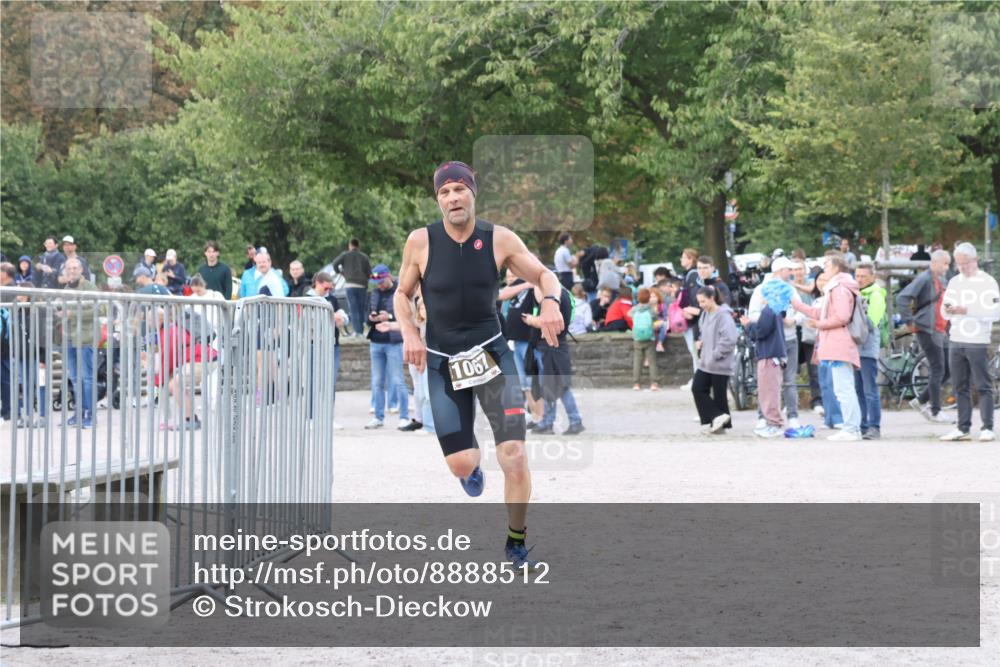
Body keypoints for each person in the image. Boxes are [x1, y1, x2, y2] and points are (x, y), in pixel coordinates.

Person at [395, 160, 564, 570]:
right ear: (438, 200)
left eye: (459, 189)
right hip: (441, 360)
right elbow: (402, 294)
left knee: (515, 455)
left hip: (492, 355)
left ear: (473, 193)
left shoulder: (499, 239)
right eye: (445, 192)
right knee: (462, 462)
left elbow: (544, 275)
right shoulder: (420, 241)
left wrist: (551, 303)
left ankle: (515, 541)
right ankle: (469, 468)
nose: (453, 198)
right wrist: (410, 334)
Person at [792, 252, 863, 441]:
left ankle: (851, 428)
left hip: (838, 344)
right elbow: (820, 312)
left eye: (827, 265)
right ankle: (852, 427)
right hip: (836, 343)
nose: (824, 269)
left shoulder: (839, 289)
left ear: (837, 268)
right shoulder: (838, 287)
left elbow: (841, 317)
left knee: (844, 388)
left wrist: (819, 325)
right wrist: (798, 306)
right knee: (843, 388)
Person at [938, 243, 1000, 442]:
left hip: (978, 339)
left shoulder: (988, 282)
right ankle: (962, 427)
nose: (962, 267)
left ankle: (987, 427)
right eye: (959, 263)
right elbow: (943, 308)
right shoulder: (955, 281)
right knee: (959, 385)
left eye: (965, 263)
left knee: (983, 384)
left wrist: (968, 310)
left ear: (975, 261)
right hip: (956, 338)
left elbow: (995, 311)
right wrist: (949, 309)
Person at [896, 249, 953, 424]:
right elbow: (902, 298)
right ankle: (935, 410)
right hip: (927, 329)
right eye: (945, 263)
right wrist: (909, 321)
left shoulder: (941, 280)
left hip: (941, 329)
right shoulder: (924, 278)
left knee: (947, 369)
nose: (947, 267)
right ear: (934, 263)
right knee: (937, 369)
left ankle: (920, 400)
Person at [747, 256, 803, 430]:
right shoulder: (761, 289)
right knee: (767, 383)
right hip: (771, 341)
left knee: (789, 380)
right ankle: (763, 415)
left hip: (789, 338)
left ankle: (792, 415)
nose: (792, 273)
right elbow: (753, 314)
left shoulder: (791, 290)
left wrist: (793, 320)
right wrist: (774, 317)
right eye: (789, 270)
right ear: (780, 271)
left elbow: (802, 311)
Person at [365, 264, 413, 430]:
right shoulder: (374, 293)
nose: (378, 285)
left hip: (394, 341)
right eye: (375, 282)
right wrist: (372, 317)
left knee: (398, 379)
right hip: (376, 341)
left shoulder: (399, 292)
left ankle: (404, 416)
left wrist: (389, 316)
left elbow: (407, 315)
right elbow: (366, 319)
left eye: (380, 281)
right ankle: (378, 417)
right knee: (377, 381)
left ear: (388, 277)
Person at [58, 258, 99, 428]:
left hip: (86, 337)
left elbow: (99, 309)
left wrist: (71, 313)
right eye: (69, 268)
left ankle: (90, 414)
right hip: (69, 338)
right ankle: (79, 412)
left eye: (75, 268)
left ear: (81, 270)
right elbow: (63, 311)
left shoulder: (90, 287)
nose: (72, 271)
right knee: (74, 378)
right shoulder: (66, 288)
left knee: (87, 378)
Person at [692, 285, 737, 434]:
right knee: (697, 388)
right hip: (706, 361)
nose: (701, 305)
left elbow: (729, 339)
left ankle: (719, 423)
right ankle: (717, 419)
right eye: (699, 302)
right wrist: (700, 342)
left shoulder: (724, 315)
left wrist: (716, 354)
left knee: (719, 396)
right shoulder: (705, 314)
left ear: (712, 298)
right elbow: (704, 333)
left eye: (703, 301)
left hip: (719, 362)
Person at [308, 271, 349, 430]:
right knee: (313, 381)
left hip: (333, 344)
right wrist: (332, 317)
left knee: (330, 382)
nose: (328, 291)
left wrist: (341, 318)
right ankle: (312, 417)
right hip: (314, 344)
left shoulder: (332, 299)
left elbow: (344, 317)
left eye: (330, 288)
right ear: (318, 283)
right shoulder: (307, 298)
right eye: (326, 288)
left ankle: (328, 417)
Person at [742, 297, 786, 438]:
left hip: (769, 355)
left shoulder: (768, 310)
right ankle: (771, 422)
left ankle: (774, 424)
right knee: (769, 391)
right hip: (773, 354)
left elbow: (760, 331)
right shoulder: (777, 310)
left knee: (769, 392)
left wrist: (748, 325)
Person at [853, 262, 885, 439]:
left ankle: (874, 426)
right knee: (858, 390)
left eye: (864, 276)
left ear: (872, 277)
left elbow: (871, 323)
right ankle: (862, 424)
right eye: (857, 276)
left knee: (870, 390)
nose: (859, 279)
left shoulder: (876, 295)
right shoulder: (855, 293)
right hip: (855, 349)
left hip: (867, 348)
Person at [333, 239, 373, 337]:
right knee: (361, 308)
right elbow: (369, 272)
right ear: (358, 246)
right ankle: (362, 330)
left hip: (350, 285)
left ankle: (357, 331)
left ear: (350, 245)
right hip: (362, 286)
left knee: (354, 309)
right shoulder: (364, 257)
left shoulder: (345, 255)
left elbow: (335, 264)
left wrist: (342, 273)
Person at [628, 288, 659, 391]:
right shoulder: (650, 309)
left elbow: (629, 315)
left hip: (637, 338)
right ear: (649, 298)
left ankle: (636, 384)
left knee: (637, 361)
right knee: (652, 361)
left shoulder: (635, 309)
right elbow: (655, 318)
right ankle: (654, 383)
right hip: (649, 337)